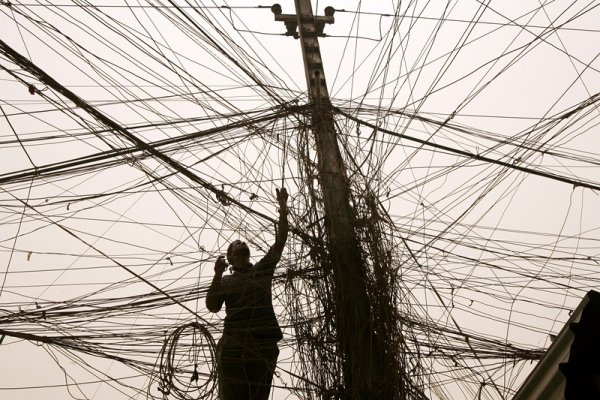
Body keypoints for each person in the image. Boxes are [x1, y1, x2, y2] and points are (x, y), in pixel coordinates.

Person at [206, 188, 289, 400]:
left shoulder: (261, 270)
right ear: (231, 259)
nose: (241, 243)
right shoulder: (226, 281)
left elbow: (279, 243)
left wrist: (282, 208)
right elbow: (212, 306)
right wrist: (217, 275)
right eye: (236, 245)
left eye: (243, 244)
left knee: (257, 395)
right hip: (234, 344)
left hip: (262, 343)